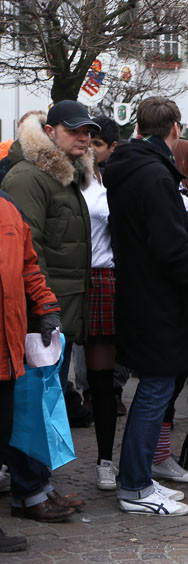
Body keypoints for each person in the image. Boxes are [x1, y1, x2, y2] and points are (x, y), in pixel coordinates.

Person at [103, 97, 188, 515]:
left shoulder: (136, 169)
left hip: (144, 296)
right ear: (173, 129)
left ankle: (139, 479)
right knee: (154, 391)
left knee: (155, 390)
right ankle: (134, 485)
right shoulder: (152, 174)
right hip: (159, 302)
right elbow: (169, 246)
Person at [1, 102, 95, 521]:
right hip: (31, 320)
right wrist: (41, 311)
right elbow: (27, 254)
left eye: (89, 131)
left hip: (55, 312)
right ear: (50, 130)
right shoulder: (30, 177)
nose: (85, 137)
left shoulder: (61, 175)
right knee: (29, 408)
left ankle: (39, 486)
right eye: (75, 130)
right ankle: (31, 490)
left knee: (43, 405)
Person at [1, 188, 64, 533]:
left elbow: (28, 267)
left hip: (7, 352)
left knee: (6, 430)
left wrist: (46, 308)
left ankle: (27, 494)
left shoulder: (9, 208)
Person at [82, 116, 122, 490]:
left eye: (96, 142)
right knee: (49, 375)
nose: (89, 148)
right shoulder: (65, 178)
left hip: (103, 278)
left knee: (101, 378)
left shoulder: (116, 183)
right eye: (85, 141)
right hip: (68, 278)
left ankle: (105, 460)